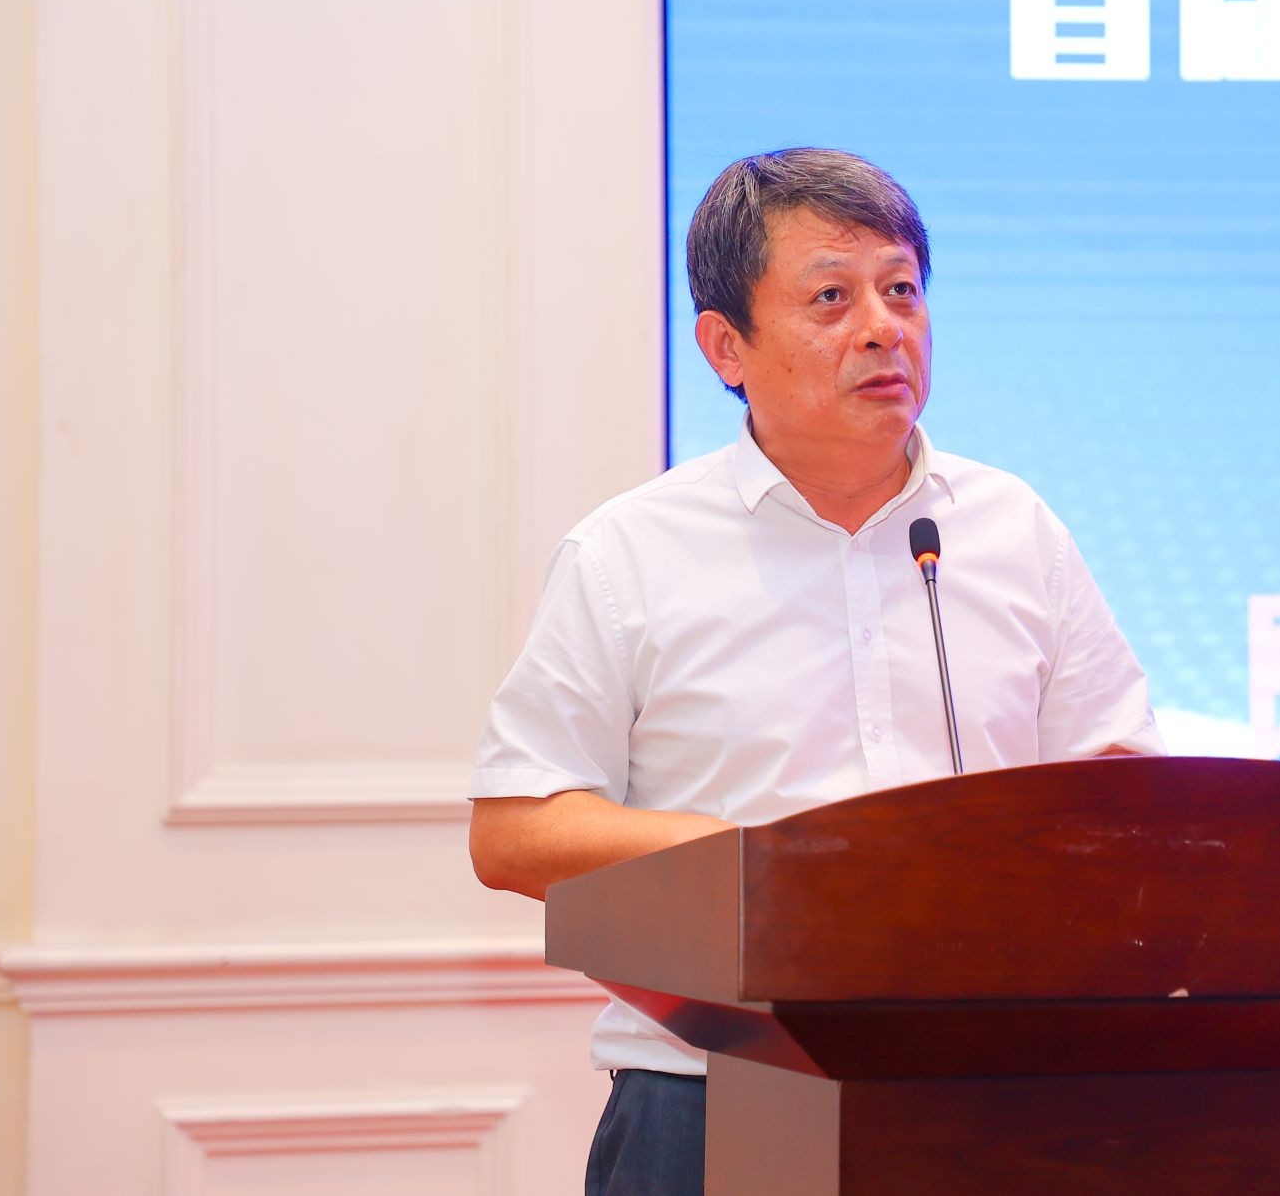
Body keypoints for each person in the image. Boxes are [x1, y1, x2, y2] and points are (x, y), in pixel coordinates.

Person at [467, 147, 1162, 1196]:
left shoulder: (1012, 529)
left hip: (984, 1095)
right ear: (725, 346)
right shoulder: (629, 553)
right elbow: (517, 829)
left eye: (901, 290)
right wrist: (768, 867)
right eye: (832, 298)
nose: (883, 327)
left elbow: (1122, 784)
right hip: (710, 1100)